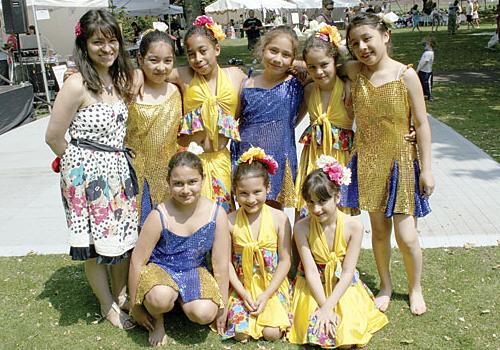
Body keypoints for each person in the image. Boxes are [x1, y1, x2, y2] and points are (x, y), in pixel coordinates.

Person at [45, 9, 138, 329]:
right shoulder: (76, 85)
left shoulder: (119, 78)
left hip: (118, 170)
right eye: (98, 42)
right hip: (87, 177)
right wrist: (78, 169)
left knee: (122, 241)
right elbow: (54, 136)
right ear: (84, 44)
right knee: (96, 246)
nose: (107, 49)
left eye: (112, 41)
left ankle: (122, 295)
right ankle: (106, 304)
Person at [343, 12, 434, 315]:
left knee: (406, 236)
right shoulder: (355, 72)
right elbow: (318, 64)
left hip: (402, 163)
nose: (362, 47)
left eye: (367, 38)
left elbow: (421, 124)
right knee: (379, 232)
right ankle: (385, 284)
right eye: (354, 43)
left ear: (385, 35)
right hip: (367, 162)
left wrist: (428, 168)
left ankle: (416, 287)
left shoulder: (405, 75)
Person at [129, 151, 230, 347]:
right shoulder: (160, 215)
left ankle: (183, 303)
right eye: (178, 183)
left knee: (204, 313)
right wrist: (136, 307)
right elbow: (137, 261)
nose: (186, 190)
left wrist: (223, 307)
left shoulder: (216, 214)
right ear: (168, 182)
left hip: (193, 269)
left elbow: (220, 263)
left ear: (203, 179)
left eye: (192, 182)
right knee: (160, 298)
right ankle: (159, 318)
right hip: (161, 268)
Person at [288, 158, 388, 347]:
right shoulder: (302, 228)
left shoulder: (354, 226)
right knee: (317, 332)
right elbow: (310, 271)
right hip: (313, 284)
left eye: (322, 201)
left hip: (342, 284)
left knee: (347, 339)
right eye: (310, 203)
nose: (316, 209)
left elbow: (348, 272)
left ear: (337, 197)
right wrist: (322, 305)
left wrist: (328, 306)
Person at [173, 16, 246, 212]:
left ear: (217, 49)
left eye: (203, 51)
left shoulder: (236, 76)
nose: (197, 59)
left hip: (221, 159)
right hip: (191, 163)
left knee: (222, 215)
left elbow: (263, 87)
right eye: (191, 54)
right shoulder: (183, 76)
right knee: (193, 218)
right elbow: (151, 71)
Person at [231, 26, 304, 210]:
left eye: (286, 55)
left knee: (273, 215)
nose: (278, 59)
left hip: (280, 156)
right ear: (262, 50)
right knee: (248, 210)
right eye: (273, 51)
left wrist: (296, 65)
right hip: (249, 159)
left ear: (293, 59)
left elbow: (324, 63)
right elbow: (234, 120)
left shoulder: (296, 84)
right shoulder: (246, 84)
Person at [223, 147, 292, 341]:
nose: (251, 199)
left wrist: (267, 293)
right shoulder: (229, 221)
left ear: (268, 188)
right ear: (235, 192)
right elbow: (226, 262)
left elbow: (286, 260)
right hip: (241, 286)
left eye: (257, 192)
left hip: (272, 285)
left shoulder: (280, 219)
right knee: (241, 334)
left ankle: (271, 309)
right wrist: (243, 293)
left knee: (272, 333)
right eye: (243, 193)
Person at [295, 24, 355, 217]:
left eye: (324, 65)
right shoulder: (309, 90)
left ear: (335, 60)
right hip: (313, 157)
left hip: (339, 158)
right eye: (312, 67)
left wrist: (346, 80)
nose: (319, 71)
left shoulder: (350, 88)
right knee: (308, 207)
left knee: (337, 211)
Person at [125, 29, 183, 227]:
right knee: (141, 229)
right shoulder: (130, 89)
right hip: (135, 174)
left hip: (168, 174)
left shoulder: (176, 90)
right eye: (153, 60)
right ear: (140, 59)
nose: (161, 67)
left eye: (167, 61)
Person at [416, 37, 435, 101]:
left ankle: (430, 95)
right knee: (422, 83)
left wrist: (418, 69)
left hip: (426, 72)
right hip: (422, 71)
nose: (424, 46)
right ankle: (423, 94)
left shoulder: (429, 53)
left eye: (426, 44)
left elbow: (425, 62)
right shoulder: (427, 52)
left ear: (429, 44)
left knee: (427, 83)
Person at [0, 19, 11, 85]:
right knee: (3, 77)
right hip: (1, 59)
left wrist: (8, 46)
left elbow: (2, 45)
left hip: (3, 58)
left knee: (5, 76)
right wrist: (6, 52)